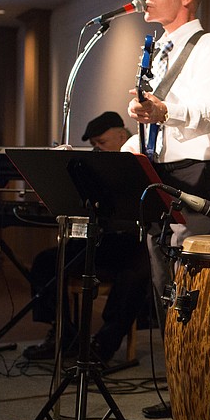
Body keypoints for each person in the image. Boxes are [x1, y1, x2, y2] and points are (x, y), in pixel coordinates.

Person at [121, 0, 210, 418]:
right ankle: (182, 393)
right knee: (163, 285)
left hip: (200, 179)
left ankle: (208, 395)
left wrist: (162, 112)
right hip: (160, 176)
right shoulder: (153, 50)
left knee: (197, 286)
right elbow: (155, 127)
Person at [23, 112, 152, 362]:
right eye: (94, 145)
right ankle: (63, 333)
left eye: (101, 143)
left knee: (135, 275)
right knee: (46, 263)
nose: (97, 149)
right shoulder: (93, 166)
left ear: (122, 136)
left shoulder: (138, 159)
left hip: (130, 243)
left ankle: (103, 345)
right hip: (99, 240)